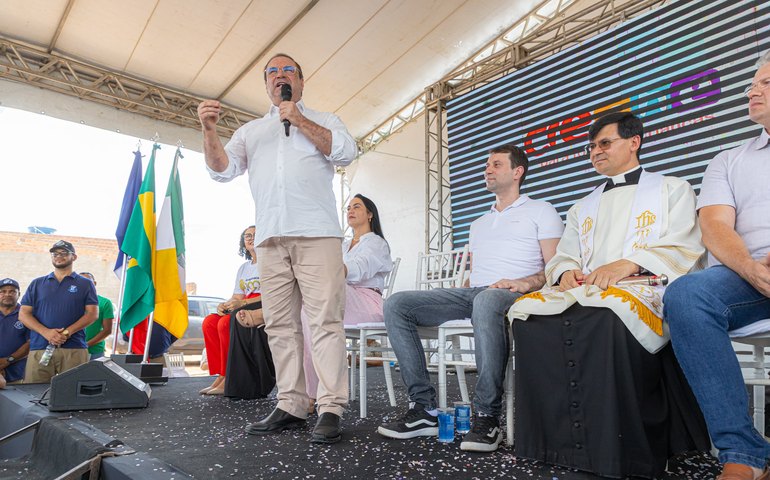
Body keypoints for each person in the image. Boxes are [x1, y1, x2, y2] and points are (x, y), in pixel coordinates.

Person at [509, 112, 710, 478]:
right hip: (588, 288)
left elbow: (685, 243)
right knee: (528, 316)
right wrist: (565, 272)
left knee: (608, 315)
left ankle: (622, 450)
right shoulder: (582, 205)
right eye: (591, 146)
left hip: (647, 284)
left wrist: (629, 264)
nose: (595, 152)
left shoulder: (672, 189)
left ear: (634, 142)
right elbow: (565, 253)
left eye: (604, 143)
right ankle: (551, 444)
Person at [197, 53, 356, 444]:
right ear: (266, 84)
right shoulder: (251, 131)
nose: (279, 76)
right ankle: (291, 403)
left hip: (317, 233)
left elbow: (345, 153)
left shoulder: (325, 119)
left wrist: (298, 119)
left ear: (300, 81)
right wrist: (209, 130)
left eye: (287, 71)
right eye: (272, 72)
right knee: (281, 325)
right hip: (270, 238)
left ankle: (331, 406)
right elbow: (221, 170)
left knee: (324, 322)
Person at [377, 144, 564, 452]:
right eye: (487, 164)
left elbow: (555, 269)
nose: (488, 169)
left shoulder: (541, 210)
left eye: (496, 164)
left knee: (487, 300)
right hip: (476, 292)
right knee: (397, 304)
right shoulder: (478, 224)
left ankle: (488, 417)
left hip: (518, 293)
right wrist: (459, 291)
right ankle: (423, 409)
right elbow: (475, 275)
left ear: (517, 172)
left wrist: (523, 283)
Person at [664, 51, 770, 480]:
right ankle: (744, 453)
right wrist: (752, 269)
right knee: (687, 295)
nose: (752, 91)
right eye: (752, 83)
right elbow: (714, 226)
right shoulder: (728, 159)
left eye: (766, 83)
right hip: (748, 277)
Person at [303, 193, 393, 405]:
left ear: (370, 214)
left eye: (357, 206)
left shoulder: (376, 243)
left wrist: (328, 271)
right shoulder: (342, 245)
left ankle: (314, 392)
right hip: (338, 297)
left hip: (367, 302)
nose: (350, 210)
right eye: (348, 207)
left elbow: (359, 268)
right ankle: (311, 391)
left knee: (313, 300)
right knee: (306, 311)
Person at [199, 226, 265, 397]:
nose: (250, 238)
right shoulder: (244, 268)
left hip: (259, 304)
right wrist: (225, 305)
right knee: (209, 322)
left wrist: (243, 303)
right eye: (247, 236)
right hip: (243, 303)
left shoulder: (269, 263)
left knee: (225, 323)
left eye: (255, 235)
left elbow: (271, 294)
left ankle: (229, 375)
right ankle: (222, 373)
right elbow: (237, 296)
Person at [19, 240, 98, 383]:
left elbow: (92, 314)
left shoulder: (85, 284)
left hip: (74, 348)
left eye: (64, 253)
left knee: (72, 392)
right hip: (40, 348)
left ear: (74, 257)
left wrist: (66, 333)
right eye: (55, 254)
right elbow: (23, 314)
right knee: (33, 392)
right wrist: (46, 332)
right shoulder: (37, 283)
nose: (59, 256)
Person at [78, 273, 115, 361]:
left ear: (94, 283)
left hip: (95, 352)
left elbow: (107, 330)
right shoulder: (70, 302)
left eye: (87, 282)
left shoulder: (105, 303)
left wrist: (86, 345)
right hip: (72, 351)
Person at [0, 278, 29, 386]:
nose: (7, 294)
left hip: (17, 374)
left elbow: (31, 343)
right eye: (3, 291)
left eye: (12, 291)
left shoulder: (27, 314)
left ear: (19, 294)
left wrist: (8, 360)